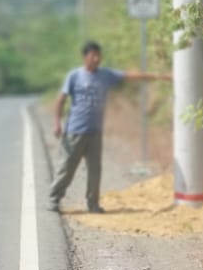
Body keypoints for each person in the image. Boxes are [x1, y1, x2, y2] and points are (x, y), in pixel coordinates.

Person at [48, 40, 170, 213]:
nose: (97, 59)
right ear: (85, 57)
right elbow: (60, 100)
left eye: (99, 56)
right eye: (93, 56)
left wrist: (160, 76)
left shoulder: (106, 75)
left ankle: (93, 204)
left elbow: (131, 76)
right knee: (67, 168)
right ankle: (54, 198)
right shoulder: (74, 76)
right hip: (74, 131)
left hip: (95, 132)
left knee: (95, 171)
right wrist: (57, 123)